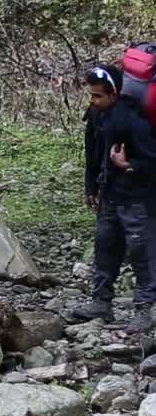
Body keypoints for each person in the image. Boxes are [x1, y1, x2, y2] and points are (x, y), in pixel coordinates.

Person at [72, 65, 156, 334]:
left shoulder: (133, 121)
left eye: (98, 96)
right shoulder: (97, 116)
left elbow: (152, 161)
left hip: (137, 198)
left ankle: (144, 309)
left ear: (114, 93)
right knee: (105, 247)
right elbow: (91, 155)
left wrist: (127, 164)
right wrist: (90, 187)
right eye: (92, 96)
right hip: (109, 194)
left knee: (141, 253)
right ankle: (101, 302)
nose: (93, 101)